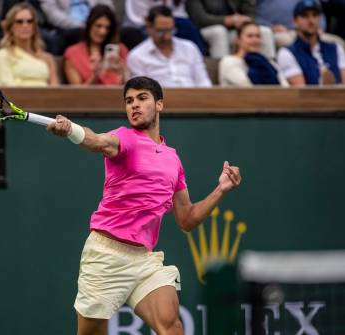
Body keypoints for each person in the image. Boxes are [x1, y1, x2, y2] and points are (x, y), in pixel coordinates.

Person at [46, 75, 242, 335]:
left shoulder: (172, 159)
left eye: (142, 98)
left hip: (144, 260)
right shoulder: (124, 139)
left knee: (172, 326)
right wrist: (71, 130)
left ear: (159, 104)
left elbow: (186, 219)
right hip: (106, 256)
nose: (134, 106)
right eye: (128, 101)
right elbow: (96, 141)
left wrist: (221, 190)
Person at [127, 5, 212, 88]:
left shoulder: (190, 48)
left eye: (170, 30)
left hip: (194, 98)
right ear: (149, 28)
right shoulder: (137, 56)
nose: (166, 37)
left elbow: (203, 82)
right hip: (160, 100)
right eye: (161, 31)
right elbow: (141, 92)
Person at [277, 0, 345, 85]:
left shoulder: (336, 48)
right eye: (305, 16)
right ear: (295, 21)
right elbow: (301, 91)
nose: (311, 20)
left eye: (315, 15)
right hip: (310, 97)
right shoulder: (287, 53)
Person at [0, 3, 60, 86]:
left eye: (29, 21)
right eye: (19, 22)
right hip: (17, 98)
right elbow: (6, 89)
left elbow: (56, 90)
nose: (25, 25)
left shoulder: (47, 58)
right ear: (11, 27)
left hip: (47, 98)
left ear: (34, 26)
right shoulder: (3, 55)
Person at [63, 4, 129, 85]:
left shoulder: (120, 50)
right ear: (89, 25)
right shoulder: (73, 53)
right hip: (88, 97)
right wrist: (95, 75)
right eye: (98, 26)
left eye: (107, 28)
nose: (103, 32)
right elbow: (77, 94)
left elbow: (131, 89)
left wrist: (123, 73)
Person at [186, 0, 276, 59]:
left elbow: (251, 12)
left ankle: (271, 68)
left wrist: (245, 21)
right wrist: (226, 20)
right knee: (219, 31)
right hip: (204, 30)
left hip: (234, 29)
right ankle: (221, 68)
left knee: (265, 31)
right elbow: (199, 19)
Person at [123, 0, 206, 55]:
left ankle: (199, 56)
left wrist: (167, 24)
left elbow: (180, 14)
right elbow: (139, 19)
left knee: (188, 27)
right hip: (141, 26)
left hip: (170, 22)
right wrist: (161, 23)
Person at [219, 21, 288, 87]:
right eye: (250, 36)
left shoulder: (269, 63)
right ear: (238, 40)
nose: (255, 40)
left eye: (258, 36)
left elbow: (284, 86)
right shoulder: (229, 62)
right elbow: (249, 86)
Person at [256, 0, 345, 49]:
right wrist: (270, 28)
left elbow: (318, 13)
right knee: (284, 40)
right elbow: (253, 15)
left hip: (315, 32)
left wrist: (319, 27)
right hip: (283, 32)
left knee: (339, 44)